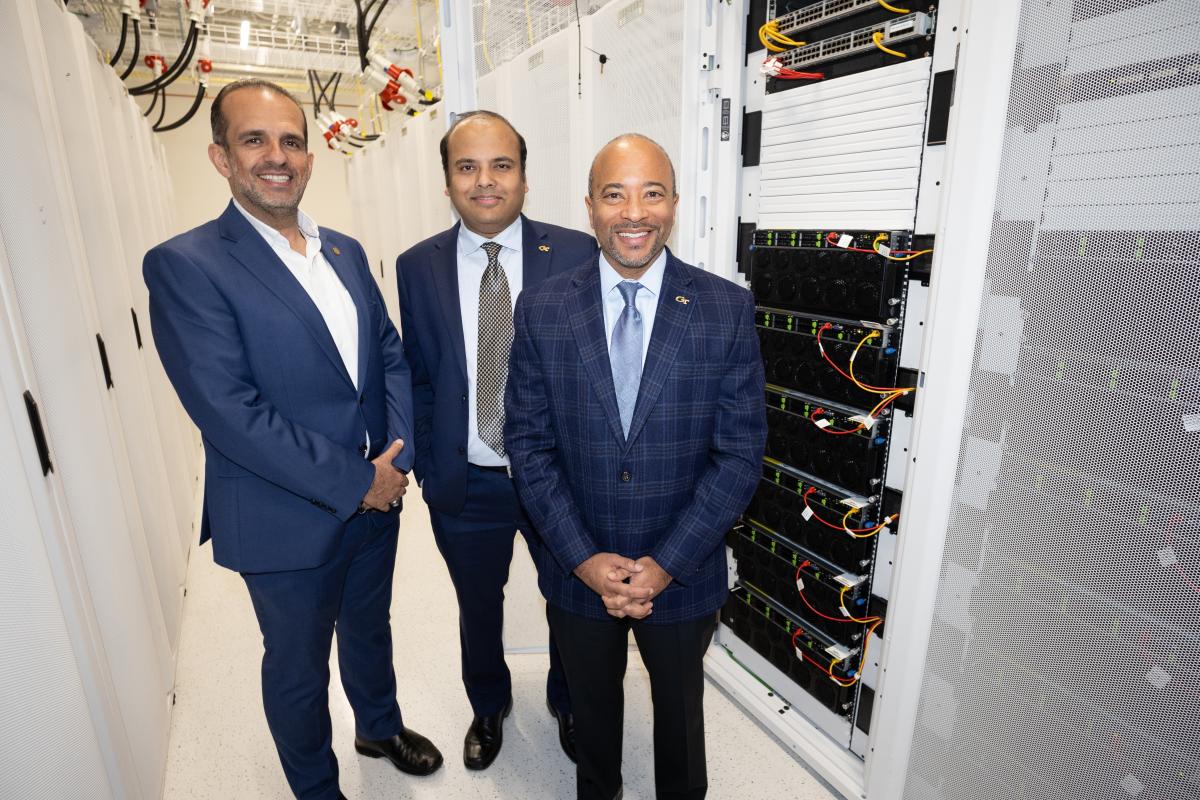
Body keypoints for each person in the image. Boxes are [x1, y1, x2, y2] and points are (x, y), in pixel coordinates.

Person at [143, 79, 442, 800]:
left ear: (309, 155)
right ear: (220, 157)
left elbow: (387, 352)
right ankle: (316, 789)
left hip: (378, 495)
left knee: (370, 627)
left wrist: (396, 458)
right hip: (286, 513)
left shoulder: (342, 249)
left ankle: (378, 724)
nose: (276, 157)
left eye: (291, 140)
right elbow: (228, 410)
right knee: (299, 665)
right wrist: (354, 479)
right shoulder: (188, 264)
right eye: (254, 140)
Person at [505, 134, 767, 800]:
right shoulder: (540, 309)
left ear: (674, 203)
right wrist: (583, 559)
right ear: (590, 206)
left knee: (680, 725)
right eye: (615, 194)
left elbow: (738, 453)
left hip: (683, 572)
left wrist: (667, 562)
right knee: (593, 727)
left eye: (652, 193)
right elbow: (528, 446)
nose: (634, 212)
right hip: (578, 570)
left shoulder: (723, 308)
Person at [396, 110, 596, 770]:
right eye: (467, 167)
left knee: (571, 601)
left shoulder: (572, 253)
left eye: (501, 165)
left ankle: (569, 704)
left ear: (524, 176)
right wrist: (427, 462)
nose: (486, 181)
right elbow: (422, 375)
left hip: (559, 482)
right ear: (448, 180)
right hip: (467, 482)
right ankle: (489, 706)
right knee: (477, 607)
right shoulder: (416, 265)